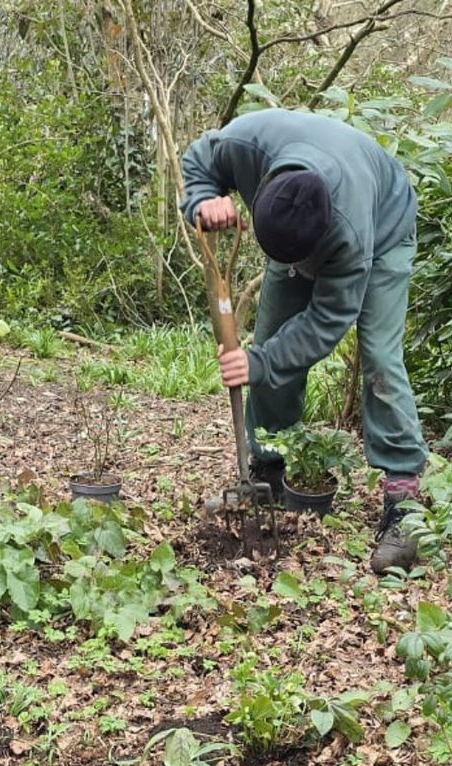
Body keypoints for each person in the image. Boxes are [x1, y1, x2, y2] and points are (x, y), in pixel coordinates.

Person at [181, 108, 428, 574]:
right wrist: (202, 197)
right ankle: (268, 473)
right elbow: (198, 160)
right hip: (301, 222)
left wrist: (259, 364)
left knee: (377, 355)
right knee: (271, 340)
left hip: (386, 223)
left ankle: (404, 503)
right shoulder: (246, 145)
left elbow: (328, 319)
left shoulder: (350, 234)